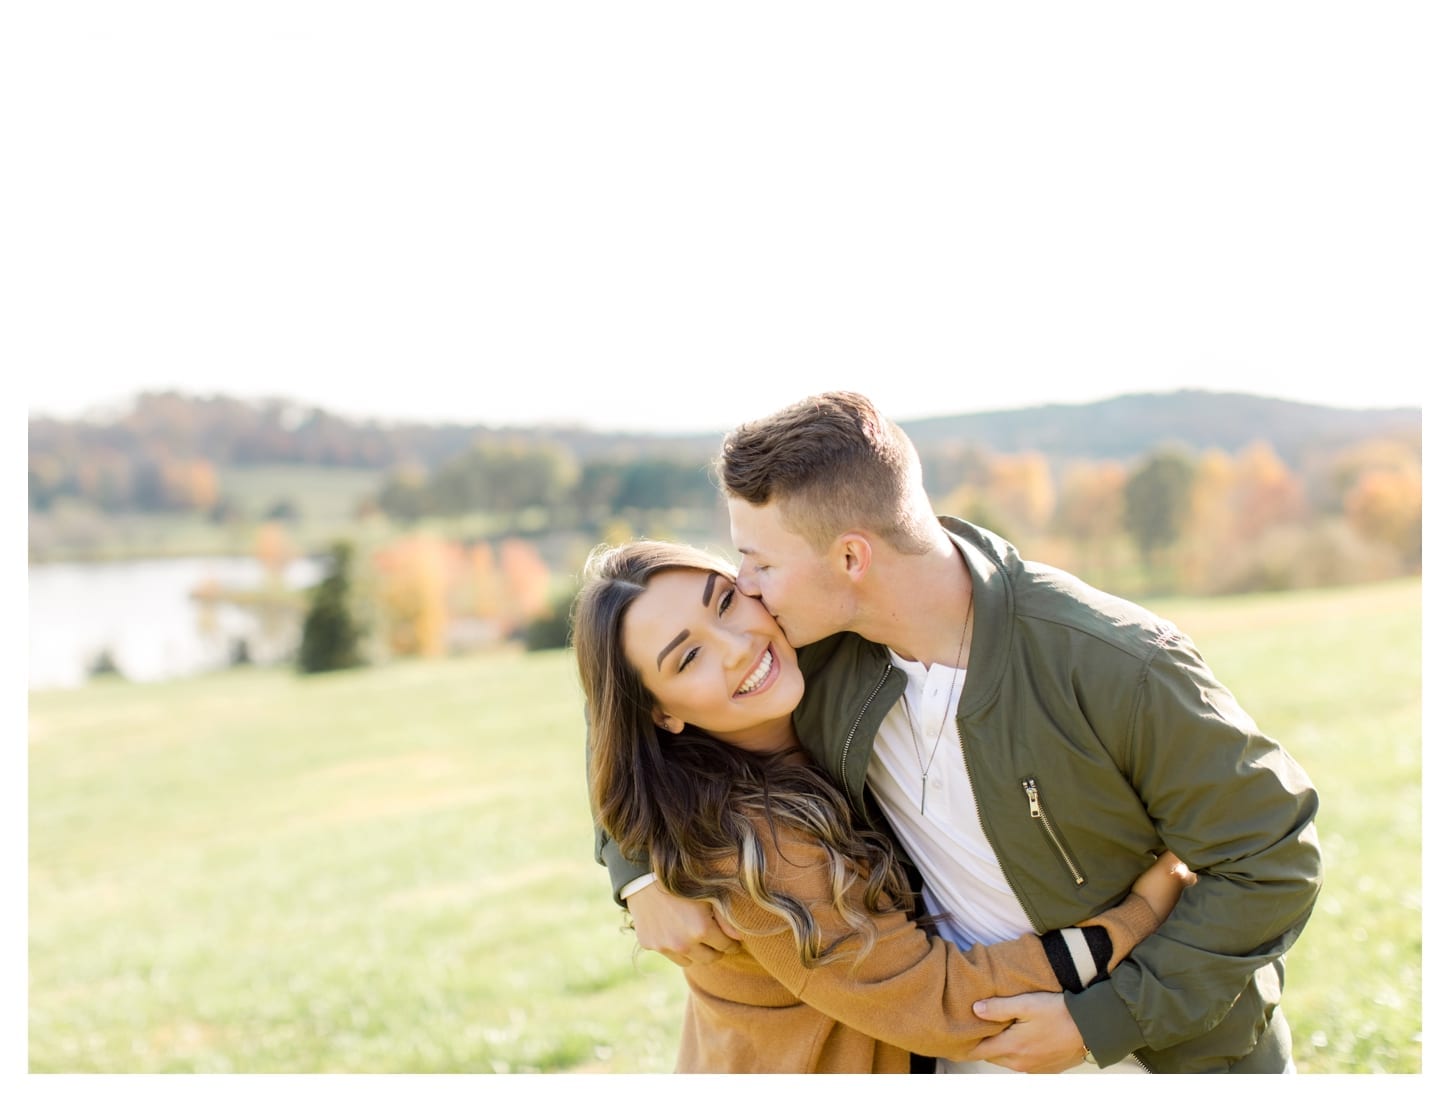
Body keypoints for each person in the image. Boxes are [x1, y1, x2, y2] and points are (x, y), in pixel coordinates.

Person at [598, 391, 1322, 1074]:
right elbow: (639, 724)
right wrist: (635, 871)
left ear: (851, 558)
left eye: (755, 565)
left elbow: (1273, 860)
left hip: (1167, 1057)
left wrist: (1103, 1019)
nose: (745, 591)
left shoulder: (1115, 663)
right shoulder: (808, 653)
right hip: (962, 1058)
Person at [575, 539, 1191, 1073]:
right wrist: (1139, 913)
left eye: (727, 601)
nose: (736, 646)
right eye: (689, 657)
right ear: (661, 713)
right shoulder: (756, 849)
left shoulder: (811, 669)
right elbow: (935, 1001)